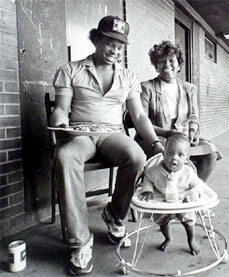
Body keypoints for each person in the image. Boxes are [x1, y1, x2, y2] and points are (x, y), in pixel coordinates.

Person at [50, 16, 161, 275]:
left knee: (136, 155)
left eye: (120, 46)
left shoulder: (128, 76)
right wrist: (60, 122)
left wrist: (155, 143)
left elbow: (139, 116)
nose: (115, 51)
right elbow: (61, 109)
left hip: (112, 135)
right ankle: (80, 242)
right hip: (81, 135)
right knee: (65, 157)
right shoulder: (71, 69)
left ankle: (114, 214)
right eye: (110, 43)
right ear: (97, 39)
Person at [135, 40, 221, 182]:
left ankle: (191, 187)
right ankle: (161, 188)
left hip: (182, 138)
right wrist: (167, 133)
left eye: (171, 60)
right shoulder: (146, 88)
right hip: (155, 139)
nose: (167, 65)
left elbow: (193, 116)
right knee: (169, 154)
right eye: (162, 62)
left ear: (179, 65)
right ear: (156, 66)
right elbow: (141, 120)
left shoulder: (189, 88)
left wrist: (192, 133)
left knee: (210, 153)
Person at [137, 133, 204, 255]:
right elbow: (148, 179)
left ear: (186, 157)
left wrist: (194, 193)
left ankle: (191, 240)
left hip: (183, 201)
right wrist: (147, 190)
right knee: (162, 222)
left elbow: (198, 185)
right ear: (163, 153)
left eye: (180, 155)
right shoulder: (154, 171)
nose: (174, 158)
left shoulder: (188, 173)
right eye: (170, 153)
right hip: (162, 202)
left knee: (188, 221)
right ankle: (168, 238)